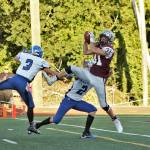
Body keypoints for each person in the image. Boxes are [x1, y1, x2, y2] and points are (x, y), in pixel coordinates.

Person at [46, 30, 123, 133]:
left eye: (105, 37)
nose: (102, 38)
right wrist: (85, 41)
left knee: (104, 105)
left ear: (109, 40)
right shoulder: (98, 46)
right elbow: (86, 52)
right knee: (71, 68)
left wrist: (90, 40)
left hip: (99, 79)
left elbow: (93, 49)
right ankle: (53, 79)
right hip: (90, 74)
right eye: (102, 36)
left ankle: (115, 119)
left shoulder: (110, 49)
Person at [0, 45, 59, 134]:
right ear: (40, 53)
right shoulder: (41, 61)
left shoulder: (25, 55)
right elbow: (49, 72)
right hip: (23, 83)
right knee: (30, 106)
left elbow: (15, 58)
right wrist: (58, 74)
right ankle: (31, 125)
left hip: (14, 78)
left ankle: (31, 125)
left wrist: (24, 53)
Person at [35, 71, 97, 139]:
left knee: (92, 110)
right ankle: (37, 125)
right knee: (56, 120)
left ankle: (86, 132)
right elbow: (77, 76)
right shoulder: (81, 75)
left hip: (78, 101)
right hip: (68, 100)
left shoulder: (94, 80)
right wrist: (72, 74)